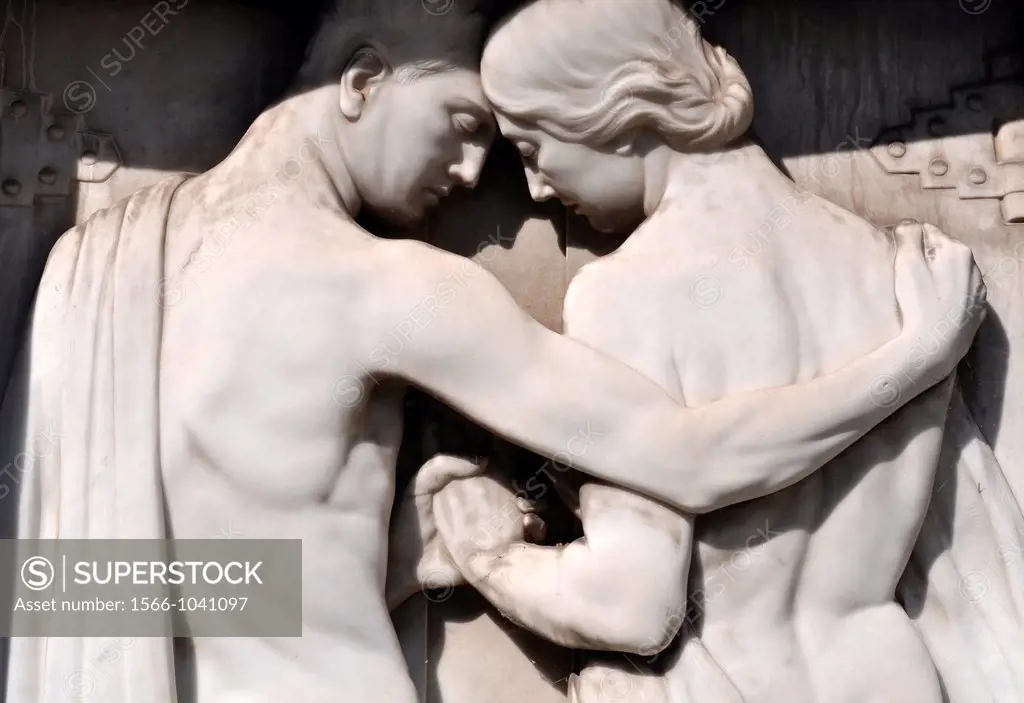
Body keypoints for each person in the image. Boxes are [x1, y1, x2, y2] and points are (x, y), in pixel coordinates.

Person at [7, 1, 984, 702]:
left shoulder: (94, 272)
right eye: (465, 125)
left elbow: (69, 584)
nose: (478, 176)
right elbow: (690, 456)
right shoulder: (394, 287)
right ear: (361, 81)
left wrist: (392, 554)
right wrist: (914, 356)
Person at [430, 0, 990, 701]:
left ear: (621, 115)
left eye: (534, 150)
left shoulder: (628, 294)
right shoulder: (896, 270)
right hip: (890, 674)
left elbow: (633, 607)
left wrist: (490, 555)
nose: (539, 189)